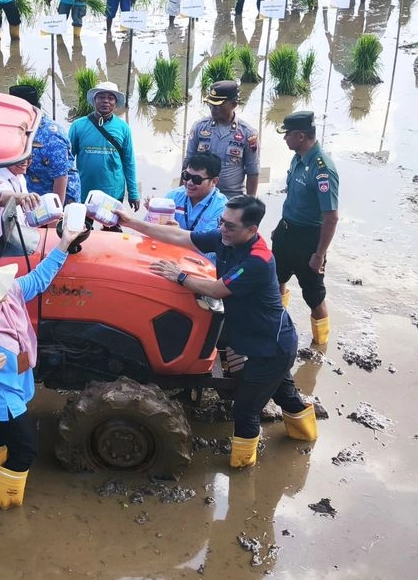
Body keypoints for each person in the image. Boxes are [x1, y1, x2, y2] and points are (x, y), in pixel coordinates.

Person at [116, 196, 317, 468]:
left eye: (230, 226)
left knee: (245, 409)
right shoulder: (227, 238)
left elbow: (217, 289)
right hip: (255, 338)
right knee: (284, 394)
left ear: (251, 230)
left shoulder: (258, 260)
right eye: (222, 222)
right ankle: (305, 441)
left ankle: (242, 466)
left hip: (271, 346)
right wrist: (135, 224)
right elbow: (181, 236)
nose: (223, 228)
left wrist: (180, 276)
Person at [0, 224, 83, 508]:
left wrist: (63, 244)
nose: (4, 294)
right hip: (2, 394)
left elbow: (38, 279)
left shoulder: (10, 294)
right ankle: (7, 502)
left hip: (17, 381)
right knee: (25, 450)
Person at [272, 111, 339, 346]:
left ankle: (319, 346)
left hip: (308, 239)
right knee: (275, 280)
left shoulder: (322, 170)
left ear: (301, 136)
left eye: (287, 134)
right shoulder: (298, 157)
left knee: (314, 296)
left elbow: (331, 217)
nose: (284, 139)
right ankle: (277, 326)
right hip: (286, 231)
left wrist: (319, 255)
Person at [67, 82, 139, 211]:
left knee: (111, 229)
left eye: (110, 98)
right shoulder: (78, 125)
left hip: (113, 193)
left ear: (115, 103)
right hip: (84, 192)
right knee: (81, 229)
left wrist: (133, 193)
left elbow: (129, 162)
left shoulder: (123, 128)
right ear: (94, 100)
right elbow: (66, 159)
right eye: (101, 97)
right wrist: (67, 188)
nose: (105, 101)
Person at [185, 81, 259, 198]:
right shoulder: (199, 127)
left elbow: (252, 171)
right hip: (202, 195)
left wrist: (250, 203)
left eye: (218, 105)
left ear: (233, 104)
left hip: (231, 197)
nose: (213, 109)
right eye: (211, 104)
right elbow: (188, 162)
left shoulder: (247, 133)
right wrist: (183, 194)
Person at [9, 84, 79, 204]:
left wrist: (54, 219)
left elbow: (61, 178)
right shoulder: (19, 129)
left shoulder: (52, 137)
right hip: (33, 196)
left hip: (60, 200)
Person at [165, 153, 229, 263]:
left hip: (203, 265)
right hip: (170, 257)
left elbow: (209, 249)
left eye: (196, 179)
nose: (189, 183)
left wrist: (178, 233)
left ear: (214, 181)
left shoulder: (222, 209)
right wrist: (155, 212)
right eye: (186, 176)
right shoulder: (173, 196)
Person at [0, 156, 40, 245]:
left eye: (29, 157)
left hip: (21, 239)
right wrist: (23, 197)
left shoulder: (19, 175)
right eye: (20, 157)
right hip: (1, 248)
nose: (25, 161)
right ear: (8, 155)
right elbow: (2, 198)